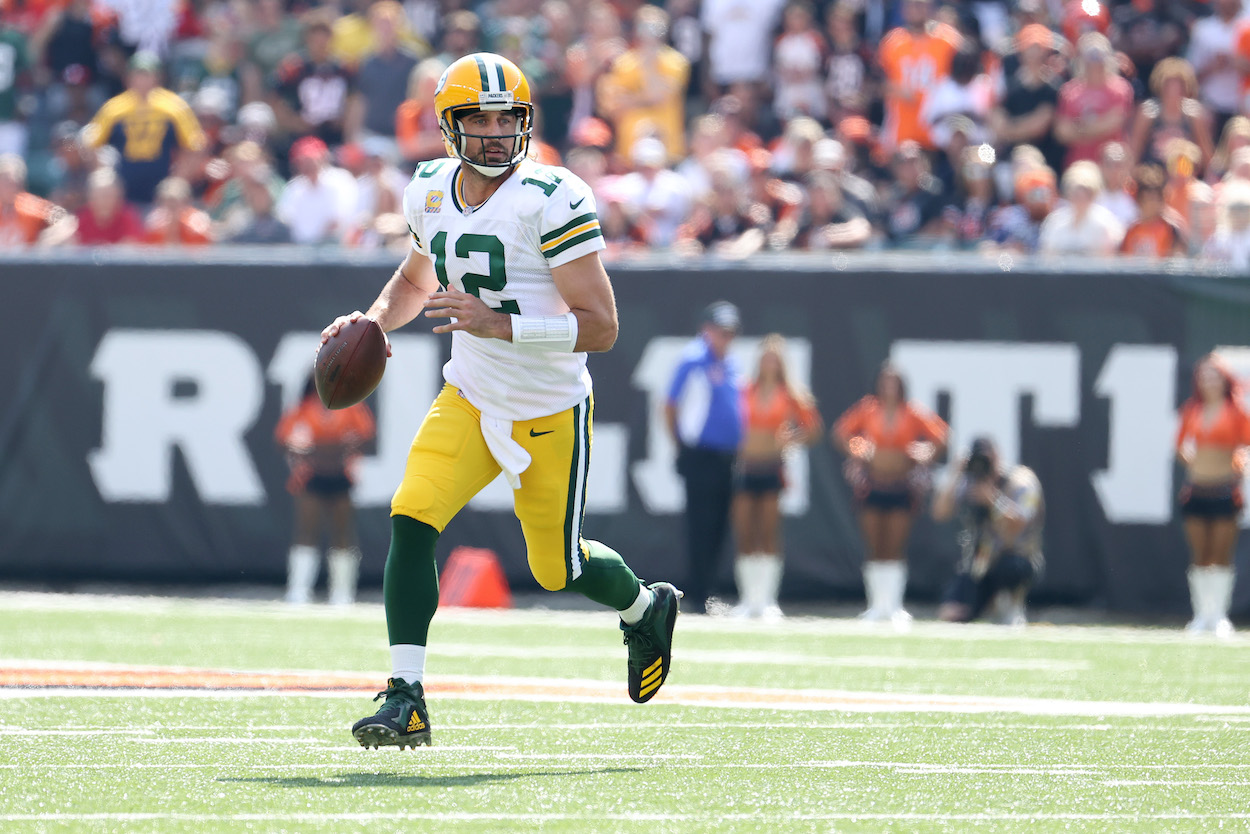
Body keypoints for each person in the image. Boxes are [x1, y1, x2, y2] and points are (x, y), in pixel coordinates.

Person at [320, 53, 681, 749]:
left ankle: (645, 606)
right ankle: (406, 696)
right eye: (478, 119)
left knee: (558, 568)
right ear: (448, 126)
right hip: (472, 394)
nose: (494, 132)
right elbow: (415, 277)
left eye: (506, 118)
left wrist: (502, 323)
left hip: (548, 408)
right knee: (410, 516)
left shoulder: (552, 195)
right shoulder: (427, 188)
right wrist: (369, 321)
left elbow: (602, 328)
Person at [833, 362, 948, 625]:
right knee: (875, 546)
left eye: (894, 382)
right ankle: (876, 604)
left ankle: (894, 605)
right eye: (885, 381)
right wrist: (858, 449)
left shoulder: (912, 412)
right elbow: (841, 433)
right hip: (872, 484)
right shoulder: (868, 408)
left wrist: (925, 452)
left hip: (901, 485)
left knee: (895, 547)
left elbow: (941, 436)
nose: (889, 387)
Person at [732, 334, 821, 620]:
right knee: (745, 532)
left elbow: (813, 428)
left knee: (768, 532)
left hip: (772, 467)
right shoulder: (745, 390)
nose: (769, 363)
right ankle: (748, 599)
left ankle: (767, 599)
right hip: (745, 467)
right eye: (765, 358)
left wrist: (790, 439)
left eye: (775, 359)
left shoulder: (791, 395)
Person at [666, 300, 744, 615]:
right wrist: (681, 446)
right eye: (720, 331)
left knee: (719, 527)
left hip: (727, 456)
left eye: (730, 332)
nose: (725, 337)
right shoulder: (694, 359)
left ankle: (707, 591)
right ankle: (697, 594)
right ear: (706, 329)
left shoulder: (732, 363)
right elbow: (670, 404)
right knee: (700, 525)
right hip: (701, 455)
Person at [275, 376, 375, 605]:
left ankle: (342, 593)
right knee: (306, 531)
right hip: (311, 476)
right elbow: (283, 440)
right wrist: (310, 450)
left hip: (341, 475)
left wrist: (342, 448)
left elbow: (367, 437)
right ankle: (298, 590)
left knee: (342, 534)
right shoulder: (302, 409)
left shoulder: (352, 407)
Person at [1175, 353, 1250, 637]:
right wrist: (1191, 460)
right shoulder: (1192, 410)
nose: (1209, 381)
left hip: (1225, 489)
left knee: (1221, 555)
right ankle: (1200, 615)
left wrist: (1239, 462)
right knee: (1200, 555)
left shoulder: (1237, 411)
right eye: (1204, 376)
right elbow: (1180, 445)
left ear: (1225, 380)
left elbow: (1246, 444)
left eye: (1214, 376)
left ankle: (1219, 615)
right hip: (1196, 489)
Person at [932, 437, 1045, 626]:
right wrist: (955, 473)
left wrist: (993, 501)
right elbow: (939, 513)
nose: (982, 466)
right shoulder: (970, 481)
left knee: (1011, 567)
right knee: (951, 612)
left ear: (997, 458)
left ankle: (1010, 605)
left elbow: (1020, 522)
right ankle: (984, 607)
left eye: (986, 460)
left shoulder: (1020, 481)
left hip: (1015, 557)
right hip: (981, 562)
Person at [82, 52, 206, 207]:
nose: (142, 80)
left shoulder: (173, 107)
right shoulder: (115, 108)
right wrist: (105, 174)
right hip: (124, 191)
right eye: (137, 75)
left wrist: (179, 180)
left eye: (146, 75)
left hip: (162, 190)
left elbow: (196, 145)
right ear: (128, 78)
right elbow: (89, 142)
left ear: (157, 77)